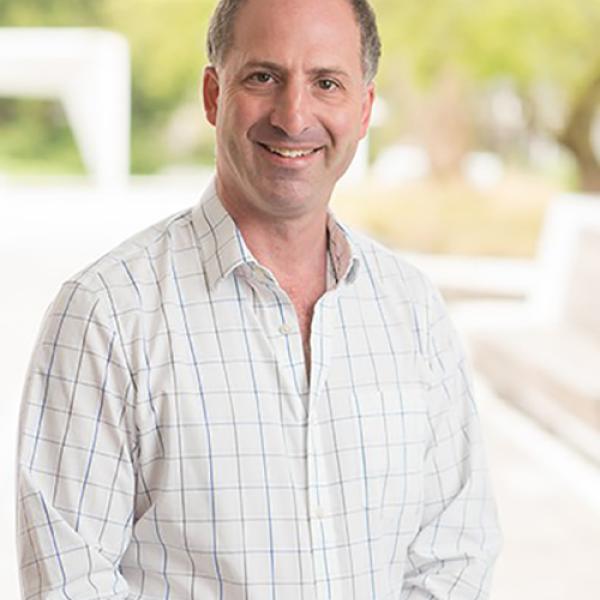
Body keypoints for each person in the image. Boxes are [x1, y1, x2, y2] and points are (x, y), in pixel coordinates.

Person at [16, 0, 501, 597]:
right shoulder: (107, 315)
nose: (294, 116)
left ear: (364, 108)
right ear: (214, 95)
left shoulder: (413, 311)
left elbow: (454, 555)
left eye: (327, 83)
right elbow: (70, 584)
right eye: (263, 77)